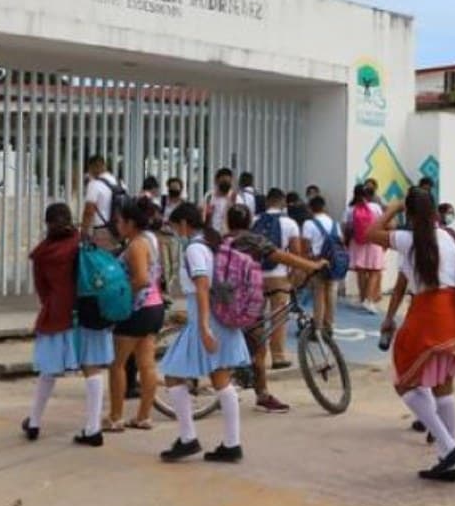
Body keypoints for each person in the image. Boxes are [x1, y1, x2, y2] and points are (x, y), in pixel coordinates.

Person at [367, 189, 455, 482]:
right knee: (443, 386)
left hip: (427, 313)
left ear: (408, 214)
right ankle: (447, 456)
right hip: (453, 315)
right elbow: (403, 283)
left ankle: (448, 446)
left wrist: (391, 208)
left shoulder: (408, 240)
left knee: (405, 381)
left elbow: (371, 233)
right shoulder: (448, 237)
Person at [158, 202, 252, 463]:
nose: (175, 232)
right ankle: (231, 444)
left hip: (206, 319)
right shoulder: (213, 245)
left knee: (174, 376)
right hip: (220, 317)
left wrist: (202, 327)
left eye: (175, 227)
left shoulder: (195, 249)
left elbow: (201, 286)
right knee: (221, 380)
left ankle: (189, 438)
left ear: (185, 225)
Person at [226, 203, 327, 413]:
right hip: (245, 300)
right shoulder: (252, 240)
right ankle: (261, 394)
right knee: (259, 346)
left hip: (222, 297)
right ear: (249, 223)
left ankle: (237, 379)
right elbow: (282, 256)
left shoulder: (223, 240)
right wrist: (312, 266)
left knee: (245, 341)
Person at [22, 203, 106, 447]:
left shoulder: (42, 254)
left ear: (47, 224)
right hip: (88, 312)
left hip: (57, 314)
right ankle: (93, 428)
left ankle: (35, 422)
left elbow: (42, 290)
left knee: (48, 371)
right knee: (92, 369)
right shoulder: (83, 242)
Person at [106, 198, 166, 431]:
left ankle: (115, 416)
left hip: (136, 310)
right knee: (146, 364)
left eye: (120, 221)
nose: (118, 225)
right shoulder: (150, 239)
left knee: (117, 364)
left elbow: (141, 279)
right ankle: (143, 416)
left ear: (130, 223)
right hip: (154, 306)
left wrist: (121, 295)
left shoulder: (136, 246)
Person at [253, 189, 305, 373]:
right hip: (279, 275)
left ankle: (255, 356)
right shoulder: (290, 223)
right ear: (283, 203)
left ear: (267, 202)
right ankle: (278, 357)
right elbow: (296, 251)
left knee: (256, 318)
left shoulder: (254, 221)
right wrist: (294, 274)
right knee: (279, 317)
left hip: (256, 275)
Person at [302, 196, 341, 336]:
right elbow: (341, 242)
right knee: (331, 294)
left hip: (317, 262)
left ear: (310, 208)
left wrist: (306, 263)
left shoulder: (308, 224)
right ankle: (329, 326)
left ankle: (317, 328)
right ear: (324, 207)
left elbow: (305, 246)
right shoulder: (334, 223)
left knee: (319, 295)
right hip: (334, 263)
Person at [344, 184, 384, 313]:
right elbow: (382, 222)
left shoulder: (350, 209)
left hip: (357, 242)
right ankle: (369, 300)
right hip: (374, 240)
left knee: (361, 271)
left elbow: (346, 227)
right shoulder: (375, 207)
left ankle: (363, 299)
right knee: (375, 271)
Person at [81, 154, 122, 251]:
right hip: (119, 229)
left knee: (102, 262)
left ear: (92, 168)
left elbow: (89, 211)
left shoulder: (94, 184)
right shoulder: (119, 182)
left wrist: (84, 232)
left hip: (102, 230)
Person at [204, 168, 238, 234]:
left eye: (227, 181)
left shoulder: (235, 198)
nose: (225, 183)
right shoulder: (209, 196)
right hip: (212, 234)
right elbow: (204, 216)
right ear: (216, 181)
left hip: (229, 234)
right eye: (223, 181)